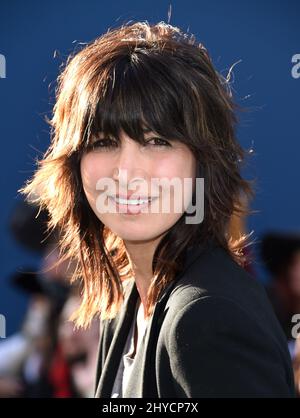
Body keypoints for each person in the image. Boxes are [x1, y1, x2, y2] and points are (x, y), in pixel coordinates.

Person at [20, 21, 295, 397]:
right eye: (103, 141)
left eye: (157, 140)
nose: (127, 172)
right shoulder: (127, 302)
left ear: (203, 159)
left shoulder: (206, 318)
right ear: (74, 164)